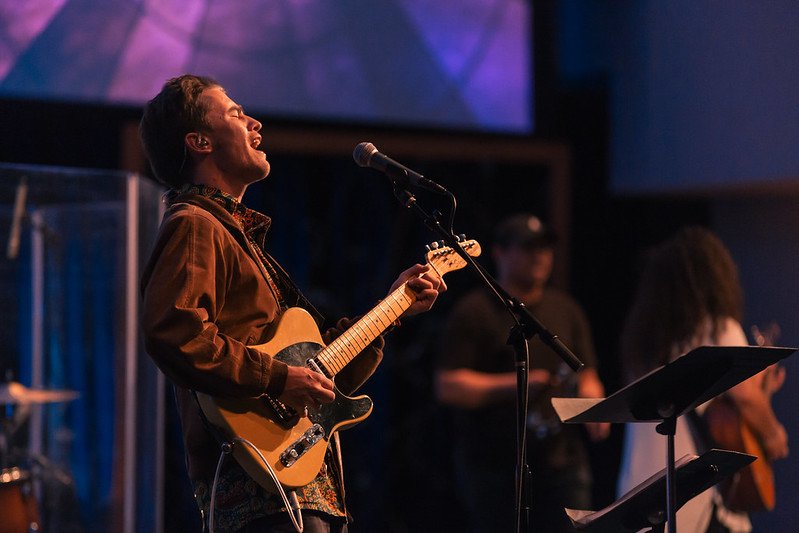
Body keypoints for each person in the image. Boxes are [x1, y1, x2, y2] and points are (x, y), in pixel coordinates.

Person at [138, 74, 445, 532]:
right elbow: (175, 333)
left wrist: (395, 306)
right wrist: (278, 378)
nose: (256, 123)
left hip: (295, 486)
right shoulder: (195, 224)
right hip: (257, 487)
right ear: (200, 142)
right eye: (237, 115)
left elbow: (322, 371)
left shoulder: (235, 237)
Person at [435, 213, 609, 532]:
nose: (540, 256)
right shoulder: (474, 311)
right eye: (528, 248)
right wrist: (519, 383)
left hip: (562, 461)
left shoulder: (566, 309)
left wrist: (594, 404)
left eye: (545, 248)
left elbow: (587, 373)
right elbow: (449, 386)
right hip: (495, 465)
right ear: (500, 253)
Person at [616, 226, 789, 533]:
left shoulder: (644, 339)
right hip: (691, 486)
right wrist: (773, 432)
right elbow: (745, 398)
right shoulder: (718, 329)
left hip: (638, 483)